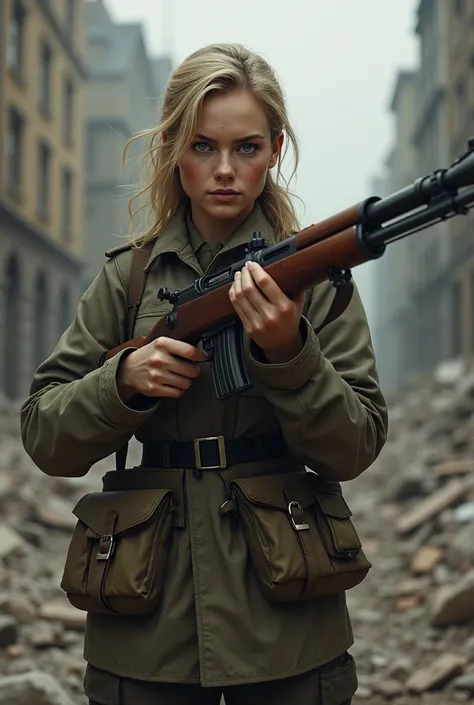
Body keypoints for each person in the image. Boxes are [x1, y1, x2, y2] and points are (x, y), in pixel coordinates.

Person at [21, 43, 388, 705]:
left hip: (287, 618)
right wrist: (123, 380)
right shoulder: (126, 278)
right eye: (201, 146)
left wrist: (288, 354)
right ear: (170, 147)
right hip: (146, 621)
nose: (225, 170)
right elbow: (44, 434)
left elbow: (356, 445)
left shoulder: (312, 281)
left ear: (275, 149)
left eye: (247, 148)